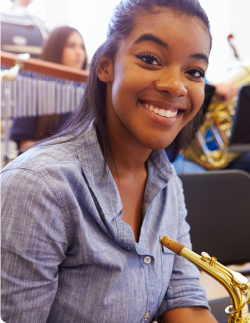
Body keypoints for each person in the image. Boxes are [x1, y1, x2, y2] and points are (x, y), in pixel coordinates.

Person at [0, 1, 217, 322]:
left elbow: (182, 295)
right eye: (150, 59)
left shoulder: (168, 180)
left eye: (194, 71)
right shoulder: (37, 187)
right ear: (105, 66)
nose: (176, 85)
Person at [173, 81, 250, 266]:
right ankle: (221, 247)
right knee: (210, 185)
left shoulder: (222, 83)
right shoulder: (203, 83)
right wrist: (211, 88)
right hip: (191, 158)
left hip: (223, 156)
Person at [10, 26, 87, 149]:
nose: (79, 52)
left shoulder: (87, 92)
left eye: (82, 47)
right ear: (56, 49)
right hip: (43, 165)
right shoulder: (35, 88)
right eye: (71, 46)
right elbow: (26, 143)